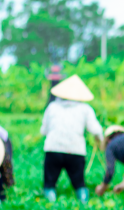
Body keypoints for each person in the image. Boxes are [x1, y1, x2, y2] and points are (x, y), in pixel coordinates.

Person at [41, 75, 104, 203]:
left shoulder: (52, 107)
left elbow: (43, 131)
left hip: (53, 148)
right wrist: (100, 142)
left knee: (49, 183)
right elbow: (96, 130)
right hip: (75, 150)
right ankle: (83, 204)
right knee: (79, 183)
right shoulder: (85, 109)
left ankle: (50, 204)